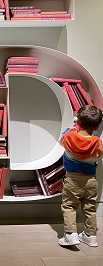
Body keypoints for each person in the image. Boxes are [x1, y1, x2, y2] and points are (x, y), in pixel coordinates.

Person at [58, 104, 103, 247]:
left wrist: (72, 127)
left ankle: (70, 235)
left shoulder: (69, 136)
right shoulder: (97, 142)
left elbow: (61, 140)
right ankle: (90, 236)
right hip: (91, 180)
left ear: (78, 121)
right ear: (96, 127)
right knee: (90, 206)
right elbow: (98, 155)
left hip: (72, 178)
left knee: (69, 206)